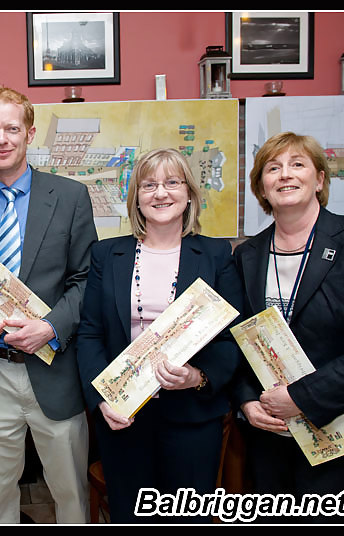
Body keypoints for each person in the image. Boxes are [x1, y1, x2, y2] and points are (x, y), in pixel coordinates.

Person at [0, 85, 98, 524]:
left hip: (54, 367)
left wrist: (50, 328)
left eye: (12, 128)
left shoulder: (70, 197)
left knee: (70, 494)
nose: (2, 139)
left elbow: (87, 279)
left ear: (30, 133)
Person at [76, 148, 243, 523]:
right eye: (149, 185)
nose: (161, 193)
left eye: (172, 182)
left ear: (188, 194)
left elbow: (232, 338)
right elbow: (90, 334)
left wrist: (199, 377)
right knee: (130, 516)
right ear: (136, 196)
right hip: (124, 418)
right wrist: (102, 400)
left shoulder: (215, 255)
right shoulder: (107, 254)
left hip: (192, 418)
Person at [232, 132, 344, 523]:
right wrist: (247, 402)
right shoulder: (247, 255)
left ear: (320, 180)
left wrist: (301, 397)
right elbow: (238, 342)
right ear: (261, 185)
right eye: (273, 168)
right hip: (268, 435)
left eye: (297, 164)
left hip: (339, 432)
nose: (284, 175)